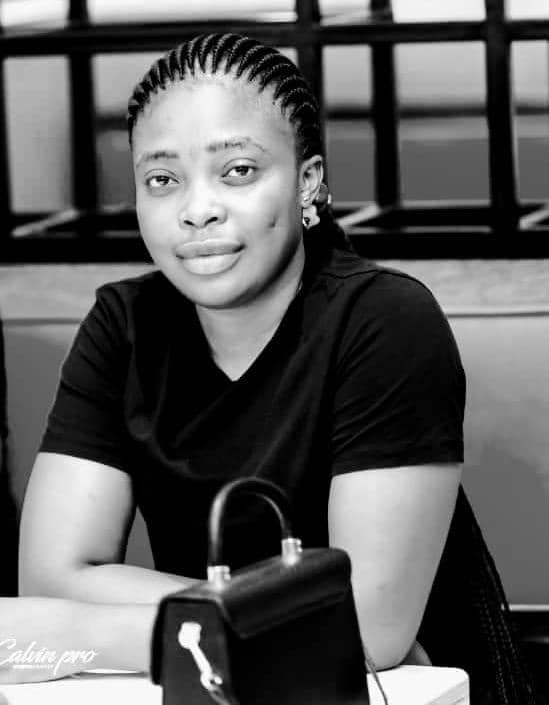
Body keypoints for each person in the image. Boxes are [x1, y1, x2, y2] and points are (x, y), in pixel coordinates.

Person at [2, 32, 541, 703]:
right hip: (217, 691)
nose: (197, 209)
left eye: (237, 171)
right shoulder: (123, 326)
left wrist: (87, 629)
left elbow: (370, 632)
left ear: (308, 182)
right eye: (162, 180)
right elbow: (49, 579)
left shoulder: (385, 321)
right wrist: (289, 620)